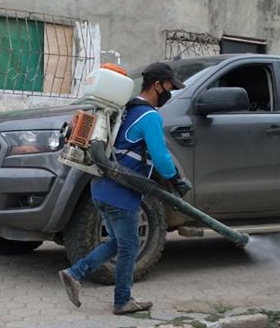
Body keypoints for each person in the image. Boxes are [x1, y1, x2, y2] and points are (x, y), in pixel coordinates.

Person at [59, 62, 192, 315]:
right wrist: (176, 180)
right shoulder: (149, 116)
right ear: (157, 85)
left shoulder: (125, 109)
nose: (170, 93)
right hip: (121, 193)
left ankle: (74, 273)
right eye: (169, 87)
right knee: (129, 246)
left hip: (101, 189)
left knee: (119, 243)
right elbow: (161, 158)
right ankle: (122, 300)